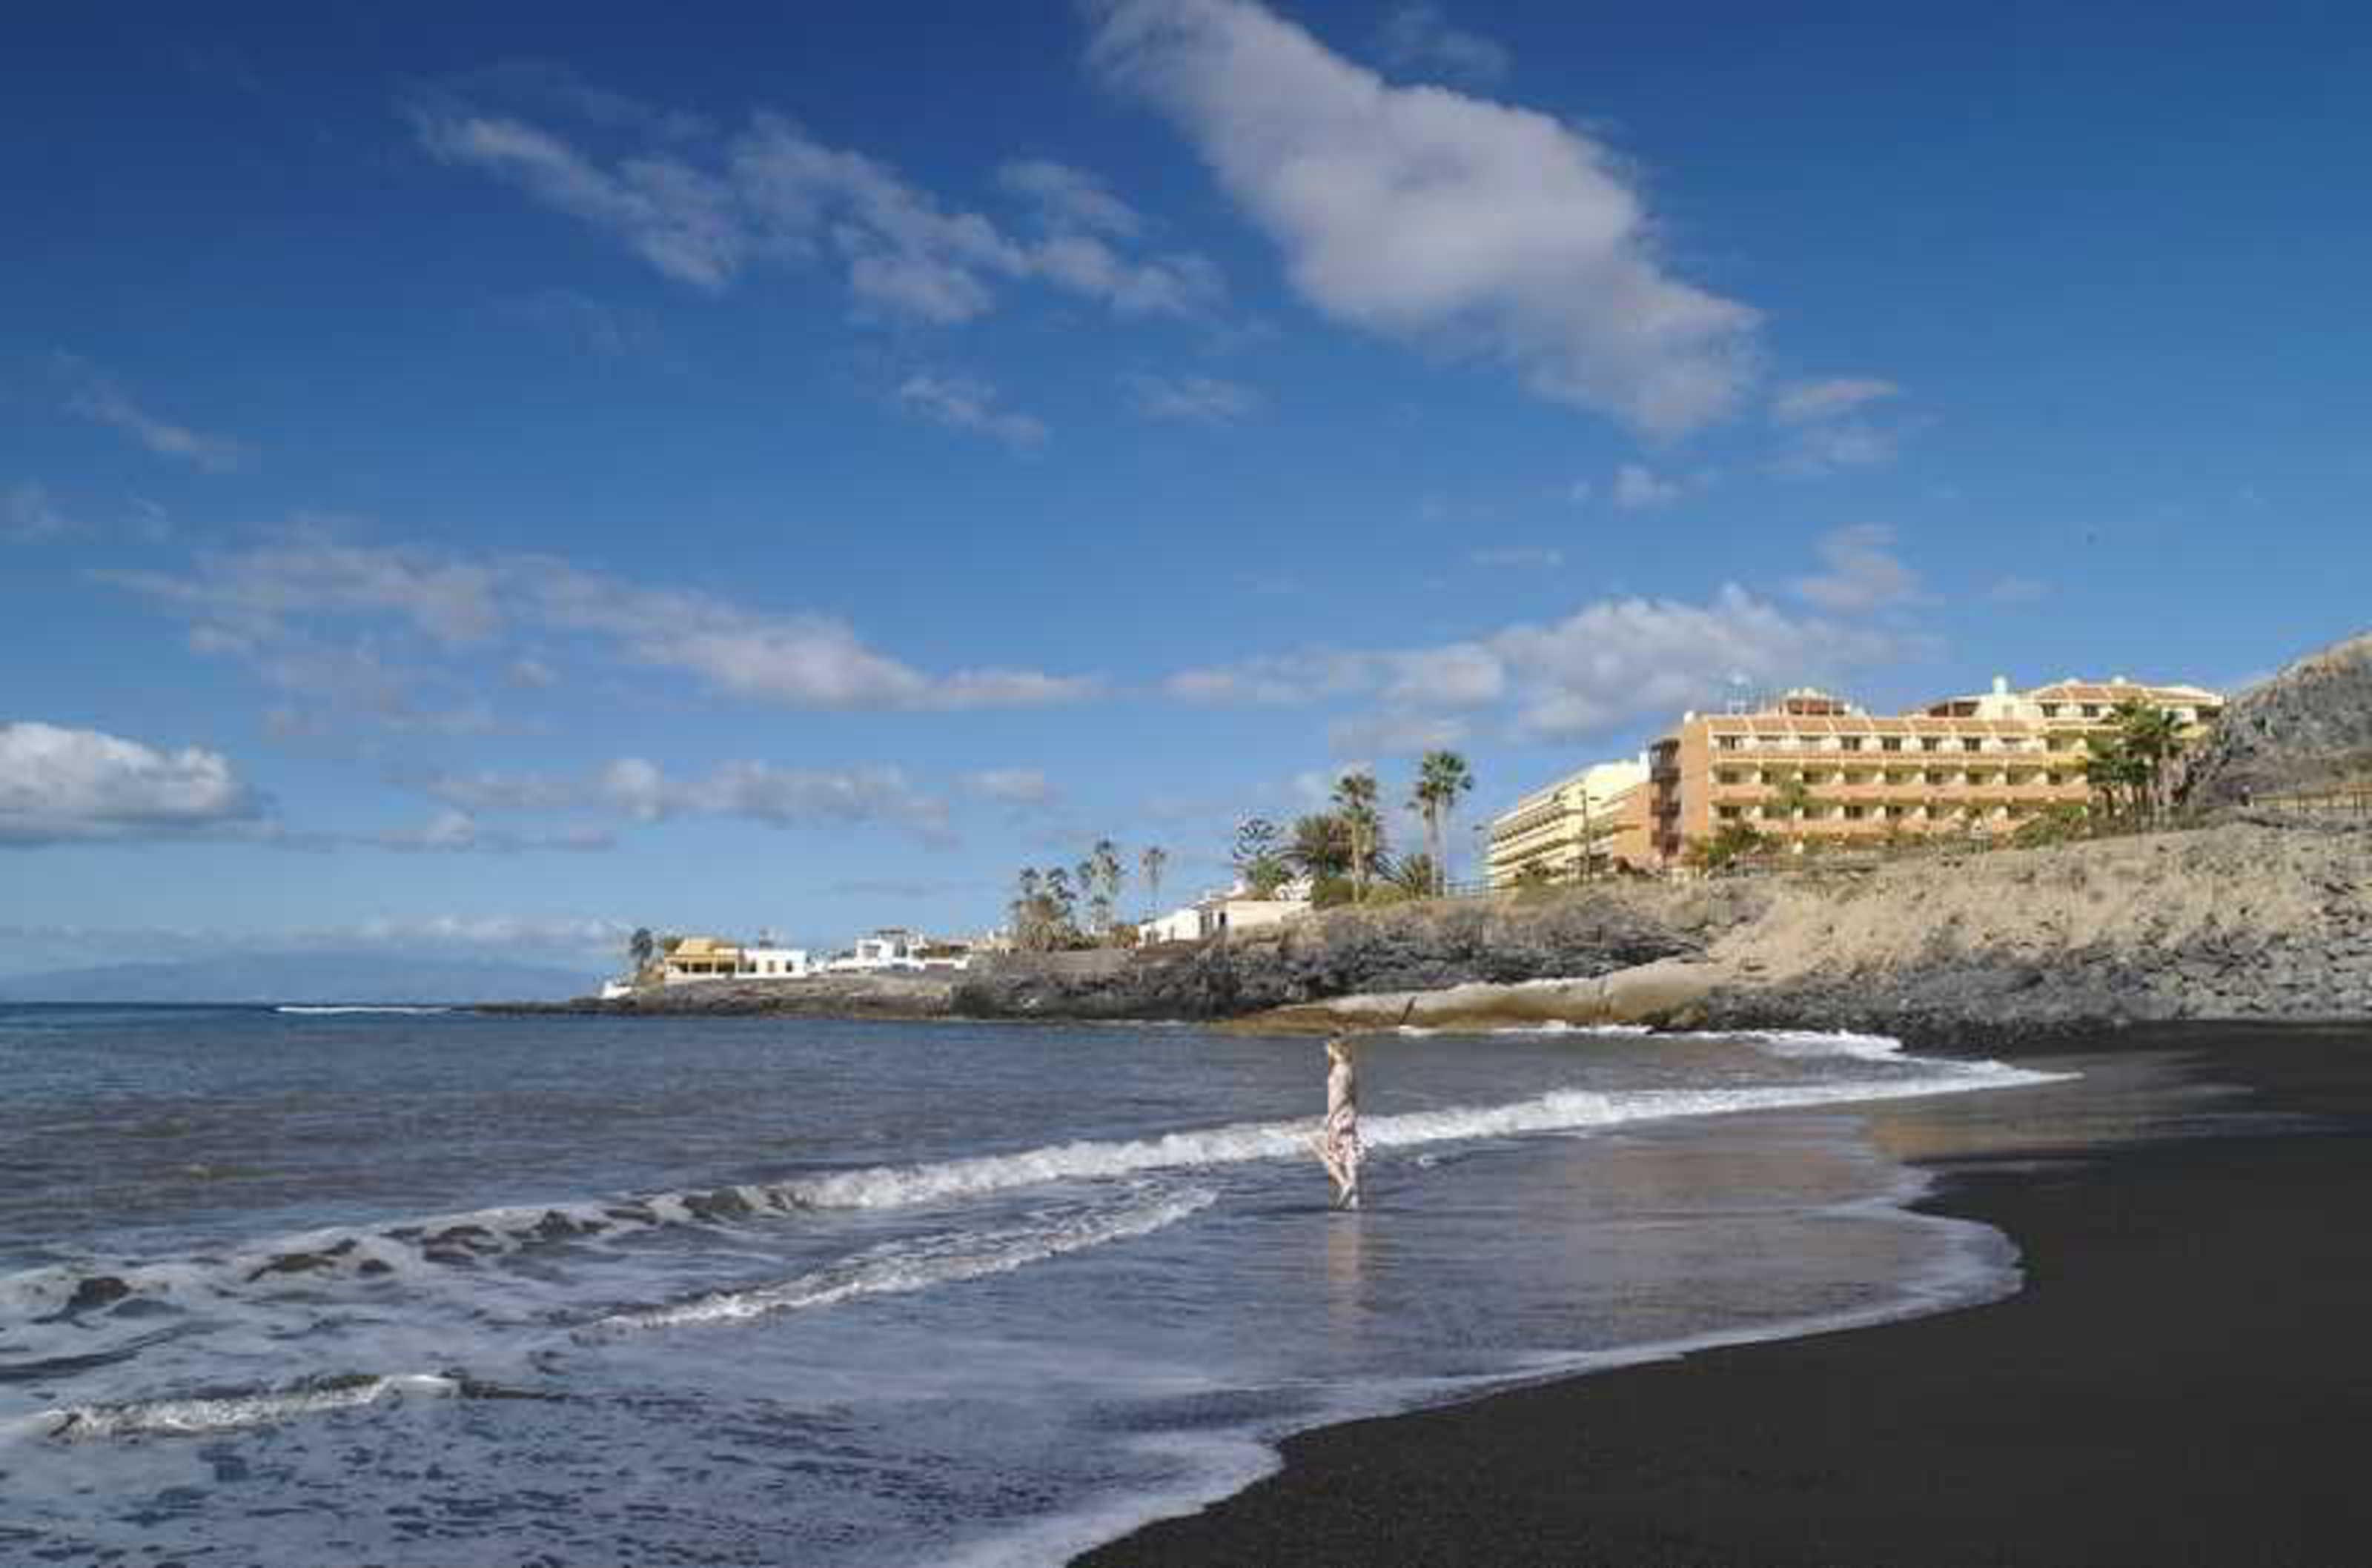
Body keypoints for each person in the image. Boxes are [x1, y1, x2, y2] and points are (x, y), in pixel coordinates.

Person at [1312, 1034, 1363, 1210]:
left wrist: (1330, 1117)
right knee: (1348, 1154)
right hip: (1349, 1114)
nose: (1325, 1051)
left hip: (1339, 1115)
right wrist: (1354, 1113)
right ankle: (1355, 1198)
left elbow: (1340, 1097)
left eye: (1326, 1048)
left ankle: (1344, 1184)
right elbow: (1354, 1095)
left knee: (1317, 1145)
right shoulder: (1349, 1068)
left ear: (1334, 1048)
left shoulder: (1339, 1070)